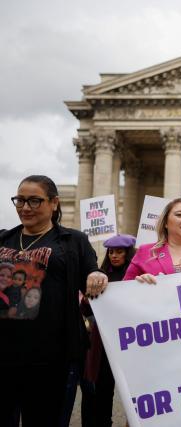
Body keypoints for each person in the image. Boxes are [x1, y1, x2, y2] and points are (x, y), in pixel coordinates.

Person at [0, 175, 107, 427]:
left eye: (35, 201)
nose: (25, 208)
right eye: (20, 200)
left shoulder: (73, 241)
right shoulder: (4, 239)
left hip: (52, 359)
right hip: (4, 355)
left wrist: (96, 275)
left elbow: (93, 274)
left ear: (54, 203)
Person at [81, 234, 136, 427]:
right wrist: (86, 301)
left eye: (119, 252)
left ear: (128, 253)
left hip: (130, 342)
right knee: (100, 388)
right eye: (111, 252)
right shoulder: (99, 275)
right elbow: (87, 310)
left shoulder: (137, 276)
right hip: (103, 342)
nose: (114, 255)